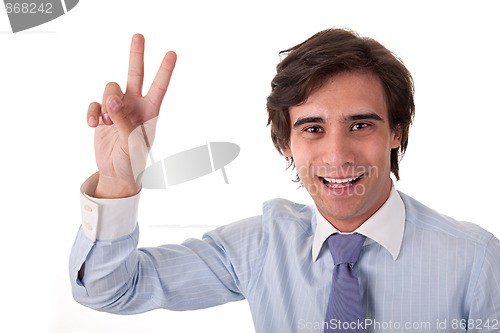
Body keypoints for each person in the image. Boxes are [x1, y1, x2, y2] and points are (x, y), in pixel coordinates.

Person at [70, 29, 500, 332]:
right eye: (313, 128)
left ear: (396, 133)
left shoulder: (476, 262)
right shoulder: (259, 246)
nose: (337, 156)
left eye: (360, 126)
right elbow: (110, 291)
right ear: (285, 144)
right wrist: (116, 181)